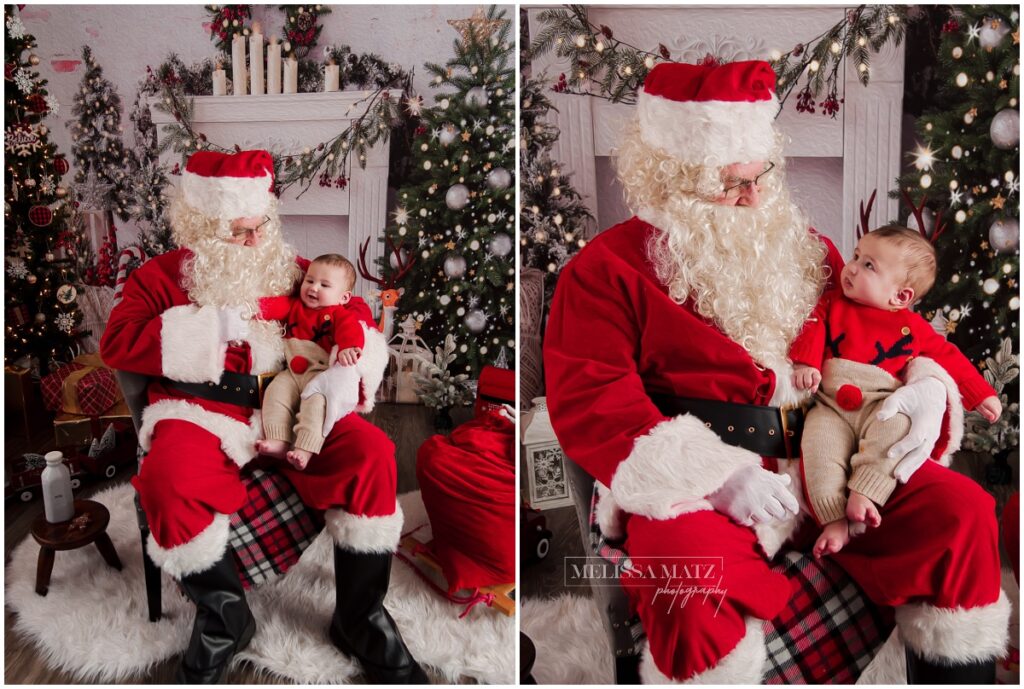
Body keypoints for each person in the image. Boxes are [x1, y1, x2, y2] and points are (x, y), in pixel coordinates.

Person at [544, 61, 1009, 684]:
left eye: (762, 175)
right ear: (673, 179)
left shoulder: (810, 250)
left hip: (830, 460)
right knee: (687, 572)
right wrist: (717, 478)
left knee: (961, 512)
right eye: (732, 183)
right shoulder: (603, 272)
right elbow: (594, 404)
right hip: (693, 484)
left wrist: (927, 387)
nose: (756, 197)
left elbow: (883, 338)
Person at [100, 149, 427, 684]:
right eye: (239, 232)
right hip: (199, 410)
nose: (255, 243)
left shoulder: (285, 269)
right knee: (166, 480)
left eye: (261, 228)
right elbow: (117, 341)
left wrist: (352, 355)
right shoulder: (160, 277)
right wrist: (205, 328)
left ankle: (360, 618)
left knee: (372, 454)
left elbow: (350, 307)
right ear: (203, 228)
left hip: (292, 399)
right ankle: (226, 620)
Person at [791, 226, 1001, 558]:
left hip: (881, 404)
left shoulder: (911, 328)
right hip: (830, 405)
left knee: (896, 434)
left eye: (869, 266)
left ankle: (866, 492)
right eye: (857, 255)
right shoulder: (832, 304)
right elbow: (812, 327)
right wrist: (806, 364)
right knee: (818, 448)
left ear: (900, 296)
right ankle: (832, 520)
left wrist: (981, 394)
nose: (853, 267)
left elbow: (947, 356)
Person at [255, 253, 365, 470]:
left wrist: (348, 347)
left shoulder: (337, 314)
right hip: (292, 372)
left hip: (319, 374)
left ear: (343, 297)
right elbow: (271, 307)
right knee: (275, 393)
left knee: (316, 406)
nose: (314, 288)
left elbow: (350, 330)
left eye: (324, 285)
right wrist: (250, 308)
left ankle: (304, 449)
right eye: (310, 280)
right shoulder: (294, 306)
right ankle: (278, 439)